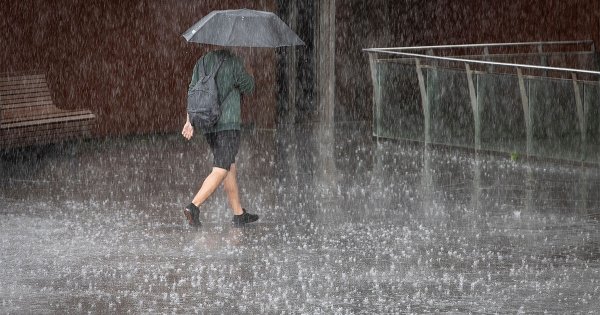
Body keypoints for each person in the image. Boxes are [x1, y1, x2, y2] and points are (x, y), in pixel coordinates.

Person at [182, 48, 259, 227]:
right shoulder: (234, 62)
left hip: (208, 125)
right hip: (228, 125)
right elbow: (249, 87)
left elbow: (192, 93)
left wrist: (189, 121)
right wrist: (250, 72)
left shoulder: (201, 62)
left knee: (229, 166)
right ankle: (194, 206)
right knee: (221, 168)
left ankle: (239, 214)